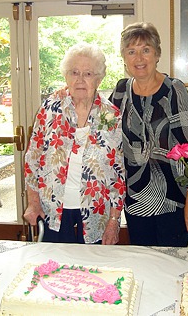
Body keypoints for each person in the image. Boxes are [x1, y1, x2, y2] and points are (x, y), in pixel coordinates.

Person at [23, 43, 125, 245]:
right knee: (55, 271)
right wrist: (33, 203)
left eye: (88, 73)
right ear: (66, 76)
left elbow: (118, 173)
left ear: (99, 78)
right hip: (52, 209)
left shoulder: (111, 114)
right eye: (74, 72)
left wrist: (114, 220)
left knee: (92, 273)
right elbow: (32, 157)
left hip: (96, 213)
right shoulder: (50, 107)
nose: (80, 79)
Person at [110, 22, 188, 246]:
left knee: (171, 265)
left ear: (157, 54)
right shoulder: (121, 91)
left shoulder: (174, 90)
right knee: (143, 264)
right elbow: (105, 136)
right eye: (131, 51)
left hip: (174, 200)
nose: (139, 58)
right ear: (124, 57)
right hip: (136, 199)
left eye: (146, 50)